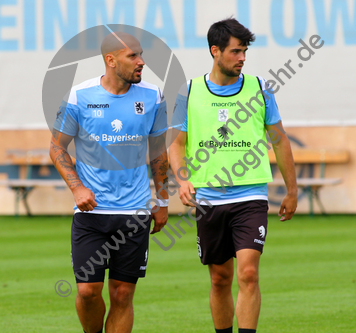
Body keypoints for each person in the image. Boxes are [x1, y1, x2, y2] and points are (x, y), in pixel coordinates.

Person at [169, 18, 298, 333]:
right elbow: (176, 143)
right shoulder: (188, 91)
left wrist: (292, 190)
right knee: (219, 278)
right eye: (235, 51)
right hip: (208, 200)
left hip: (250, 197)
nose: (242, 58)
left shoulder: (259, 89)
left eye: (244, 52)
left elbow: (280, 140)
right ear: (215, 51)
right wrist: (182, 179)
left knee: (248, 274)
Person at [49, 31, 169, 333]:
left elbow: (158, 153)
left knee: (122, 293)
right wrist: (77, 187)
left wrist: (164, 201)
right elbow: (56, 147)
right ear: (110, 60)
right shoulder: (79, 96)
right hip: (92, 215)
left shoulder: (153, 96)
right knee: (88, 292)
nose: (141, 62)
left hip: (134, 213)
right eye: (133, 56)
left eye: (141, 55)